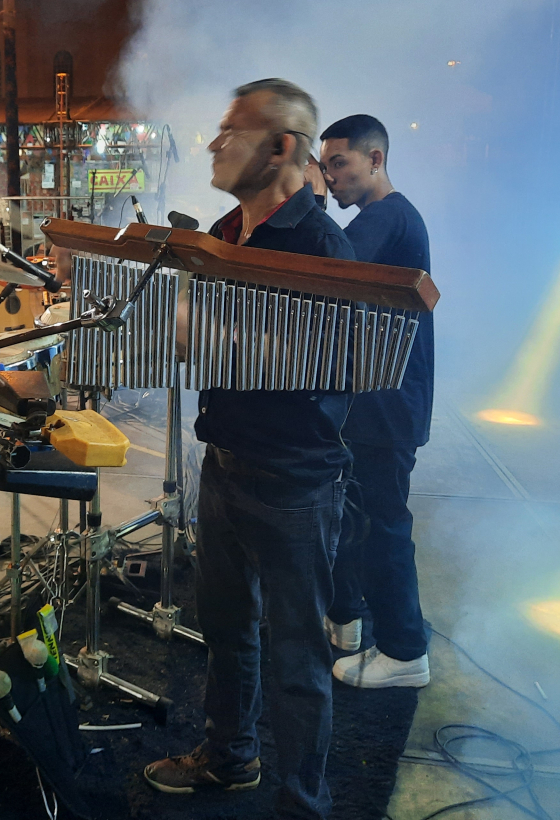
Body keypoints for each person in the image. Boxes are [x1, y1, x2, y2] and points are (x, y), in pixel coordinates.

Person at [144, 79, 354, 820]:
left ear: (281, 147)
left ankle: (303, 805)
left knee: (299, 659)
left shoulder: (323, 247)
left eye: (232, 129)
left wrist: (199, 330)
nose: (214, 142)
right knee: (228, 634)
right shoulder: (226, 232)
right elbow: (200, 338)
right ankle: (231, 758)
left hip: (295, 481)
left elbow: (330, 367)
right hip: (224, 463)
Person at [313, 114, 434, 689]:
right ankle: (349, 623)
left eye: (339, 163)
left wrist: (310, 204)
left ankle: (405, 652)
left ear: (376, 159)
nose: (331, 177)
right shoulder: (383, 218)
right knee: (359, 520)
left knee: (383, 527)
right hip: (377, 399)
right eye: (324, 166)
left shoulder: (387, 217)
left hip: (389, 403)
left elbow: (326, 273)